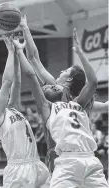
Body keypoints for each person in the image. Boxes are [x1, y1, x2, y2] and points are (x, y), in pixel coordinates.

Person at [13, 29, 108, 188]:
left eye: (65, 71)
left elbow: (33, 60)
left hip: (64, 154)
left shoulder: (59, 91)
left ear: (69, 80)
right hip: (69, 153)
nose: (61, 71)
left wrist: (24, 33)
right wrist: (25, 29)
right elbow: (105, 105)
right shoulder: (82, 103)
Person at [0, 34, 50, 188]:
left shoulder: (12, 108)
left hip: (35, 163)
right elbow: (7, 82)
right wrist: (9, 51)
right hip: (18, 172)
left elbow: (16, 80)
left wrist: (17, 52)